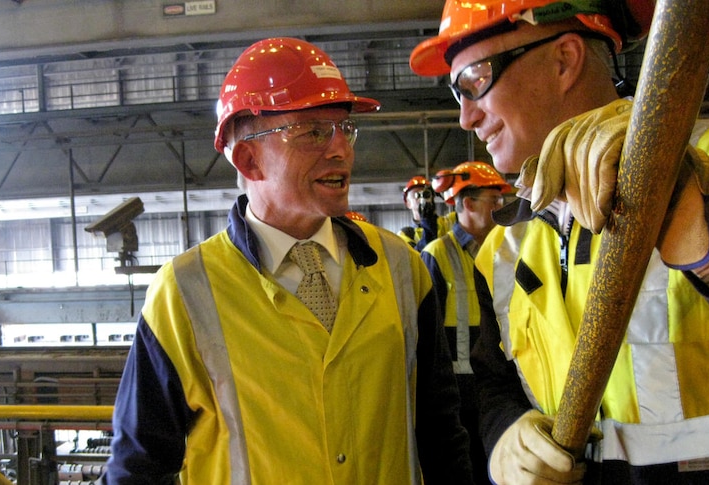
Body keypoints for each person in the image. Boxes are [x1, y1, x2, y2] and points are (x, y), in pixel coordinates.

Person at [104, 37, 473, 484]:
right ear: (249, 159)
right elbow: (138, 467)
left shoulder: (401, 267)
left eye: (345, 129)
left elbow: (441, 434)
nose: (341, 149)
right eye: (315, 132)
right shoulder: (184, 293)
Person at [410, 1, 709, 484]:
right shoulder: (502, 248)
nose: (466, 118)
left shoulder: (707, 165)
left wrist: (706, 237)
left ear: (564, 60)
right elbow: (495, 382)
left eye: (473, 81)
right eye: (458, 95)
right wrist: (504, 434)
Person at [422, 161, 511, 485]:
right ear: (469, 204)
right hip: (457, 395)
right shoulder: (436, 254)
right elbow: (425, 337)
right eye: (494, 200)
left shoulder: (504, 252)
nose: (501, 207)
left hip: (497, 386)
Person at [398, 175, 456, 250]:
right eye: (417, 195)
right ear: (408, 203)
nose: (422, 199)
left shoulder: (449, 221)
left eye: (426, 194)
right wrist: (427, 225)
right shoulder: (406, 234)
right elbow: (414, 258)